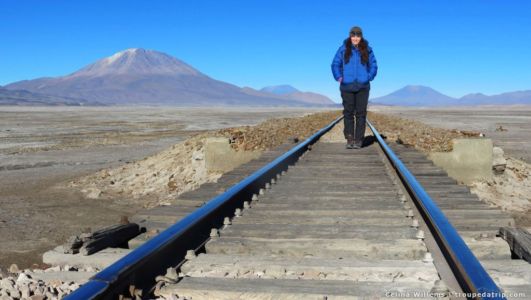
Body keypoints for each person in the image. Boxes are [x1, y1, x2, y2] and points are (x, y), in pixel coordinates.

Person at [331, 26, 378, 149]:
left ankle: (358, 140)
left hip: (363, 86)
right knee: (348, 113)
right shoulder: (343, 49)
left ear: (361, 37)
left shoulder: (367, 50)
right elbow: (335, 64)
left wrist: (368, 77)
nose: (355, 38)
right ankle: (350, 138)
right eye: (353, 35)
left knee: (361, 114)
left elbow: (374, 65)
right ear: (350, 36)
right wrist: (340, 78)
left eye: (358, 36)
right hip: (347, 86)